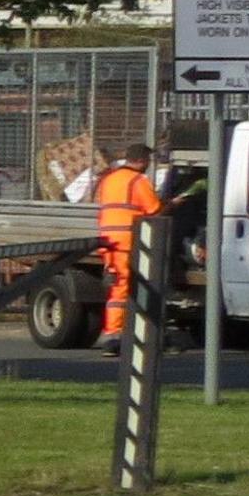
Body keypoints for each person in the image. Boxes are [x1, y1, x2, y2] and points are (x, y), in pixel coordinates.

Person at [89, 139, 164, 347]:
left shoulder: (109, 179)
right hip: (127, 239)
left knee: (116, 285)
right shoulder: (137, 180)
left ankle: (117, 331)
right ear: (140, 161)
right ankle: (113, 334)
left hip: (109, 239)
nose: (149, 163)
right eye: (148, 159)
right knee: (121, 287)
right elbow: (154, 209)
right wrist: (172, 204)